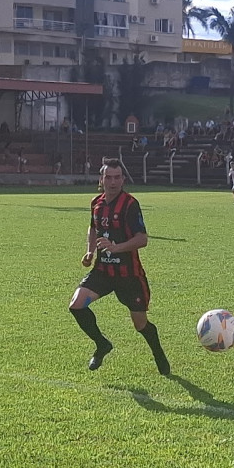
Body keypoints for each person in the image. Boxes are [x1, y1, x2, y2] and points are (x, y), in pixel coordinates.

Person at [68, 159, 170, 375]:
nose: (113, 182)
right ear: (101, 179)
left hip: (129, 276)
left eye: (117, 177)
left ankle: (158, 353)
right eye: (108, 177)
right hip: (103, 272)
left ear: (123, 180)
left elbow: (142, 239)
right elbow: (93, 228)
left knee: (140, 324)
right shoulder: (96, 202)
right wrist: (90, 251)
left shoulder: (130, 205)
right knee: (76, 304)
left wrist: (116, 248)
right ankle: (102, 344)